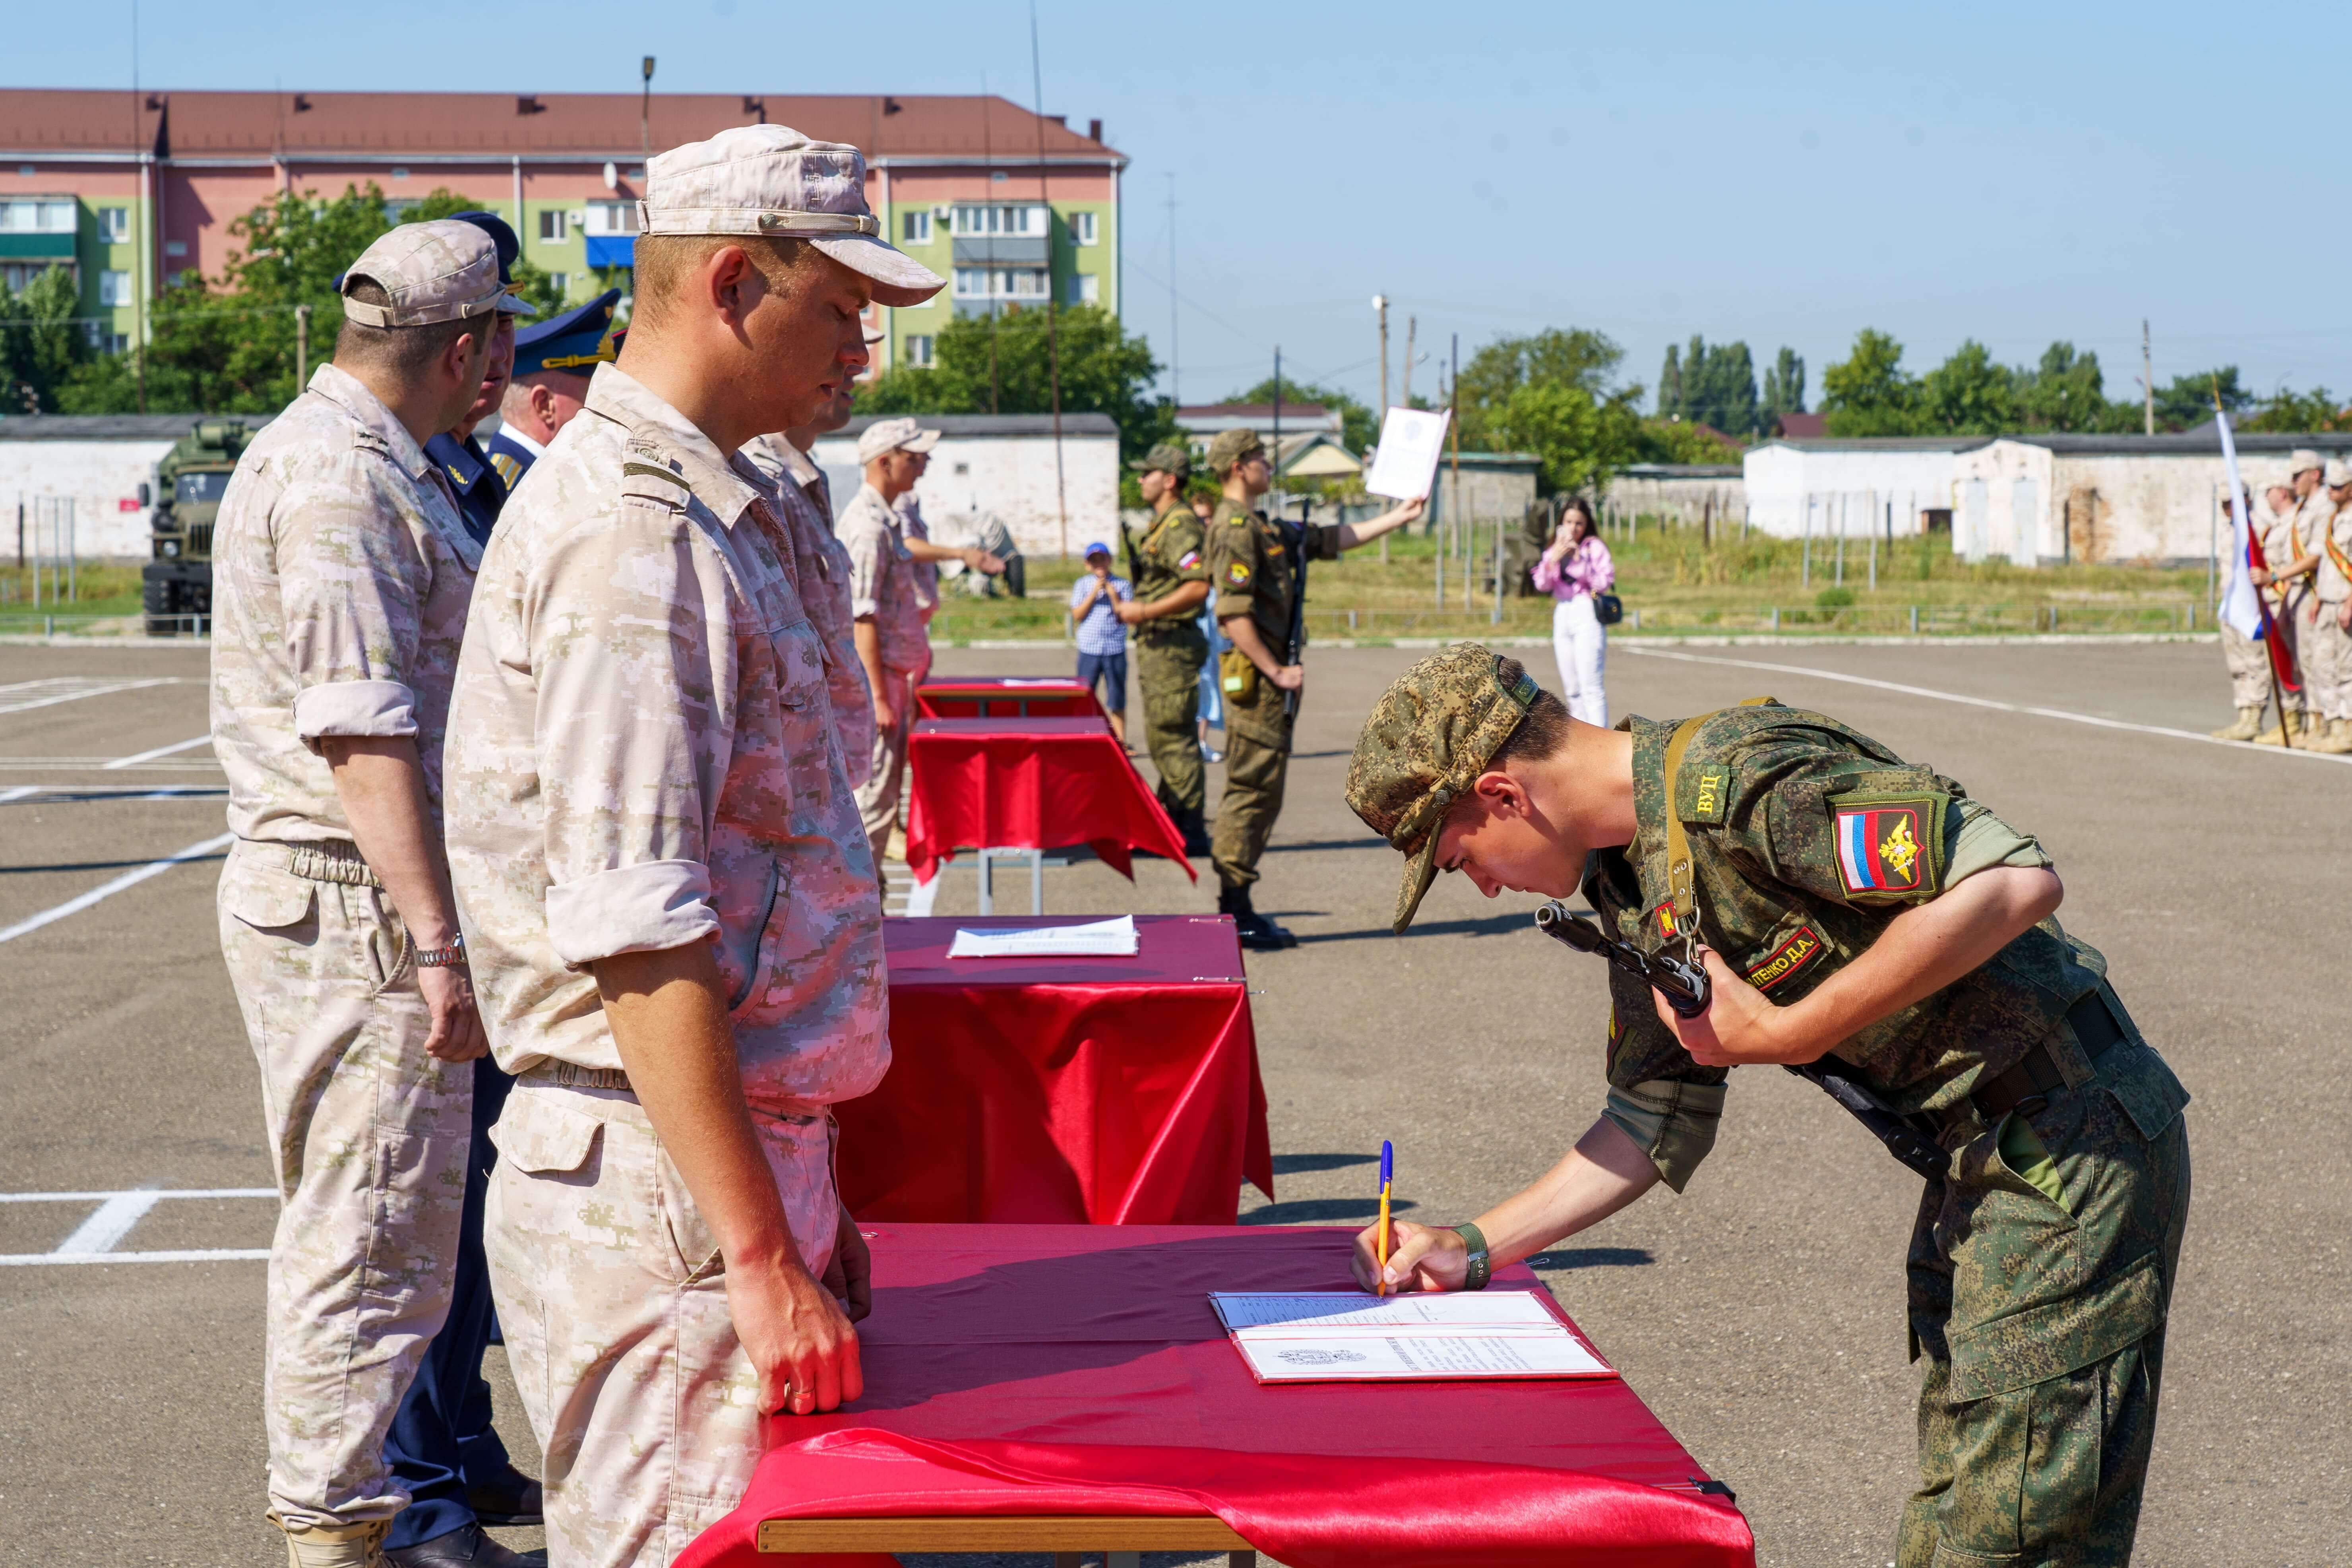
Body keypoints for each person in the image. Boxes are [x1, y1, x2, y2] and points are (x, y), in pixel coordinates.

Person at [1342, 643, 2191, 1568]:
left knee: (2011, 1532)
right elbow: (1651, 1117)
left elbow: (2008, 882)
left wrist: (1786, 1029)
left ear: (1503, 794)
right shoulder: (1632, 886)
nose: (1483, 884)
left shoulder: (1744, 778)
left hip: (2069, 1140)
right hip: (1980, 1160)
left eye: (1459, 856)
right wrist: (1471, 1246)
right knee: (1960, 1517)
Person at [442, 123, 940, 1567]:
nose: (861, 353)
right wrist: (757, 1244)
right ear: (732, 284)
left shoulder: (717, 505)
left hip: (708, 1163)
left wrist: (796, 1194)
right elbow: (640, 932)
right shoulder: (633, 535)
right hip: (659, 1182)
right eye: (840, 308)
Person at [211, 218, 523, 1568]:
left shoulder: (379, 457)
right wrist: (439, 942)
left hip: (364, 897)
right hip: (359, 902)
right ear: (465, 350)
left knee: (388, 1238)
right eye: (499, 338)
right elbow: (362, 733)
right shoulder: (343, 478)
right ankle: (337, 1535)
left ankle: (356, 1520)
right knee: (365, 1241)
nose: (504, 364)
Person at [376, 212, 545, 1568]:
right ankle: (414, 1487)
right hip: (417, 897)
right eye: (488, 339)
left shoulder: (465, 474)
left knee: (477, 1198)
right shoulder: (376, 476)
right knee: (418, 1215)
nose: (499, 365)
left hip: (487, 881)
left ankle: (460, 1437)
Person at [1203, 426, 1423, 949]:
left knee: (1263, 790)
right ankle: (1234, 907)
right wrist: (1275, 671)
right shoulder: (1235, 529)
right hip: (1258, 682)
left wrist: (1398, 517)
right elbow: (1232, 615)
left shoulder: (1262, 525)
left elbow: (1327, 540)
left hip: (1268, 683)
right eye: (1260, 457)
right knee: (1251, 790)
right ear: (1238, 467)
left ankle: (1237, 902)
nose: (1267, 464)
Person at [840, 417, 1002, 870]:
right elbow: (862, 617)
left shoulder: (888, 518)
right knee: (872, 800)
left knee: (885, 793)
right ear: (884, 462)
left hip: (897, 673)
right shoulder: (869, 526)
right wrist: (877, 696)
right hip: (884, 679)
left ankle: (871, 889)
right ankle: (862, 894)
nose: (923, 466)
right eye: (914, 459)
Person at [737, 328, 885, 787]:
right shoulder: (765, 482)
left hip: (828, 751)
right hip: (799, 768)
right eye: (837, 354)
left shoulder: (801, 475)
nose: (857, 366)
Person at [1119, 441, 1213, 848]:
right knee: (1162, 737)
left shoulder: (1179, 527)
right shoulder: (1163, 524)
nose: (1141, 479)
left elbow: (1197, 586)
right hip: (1161, 645)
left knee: (1172, 738)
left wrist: (1143, 611)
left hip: (1171, 643)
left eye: (1148, 473)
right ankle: (1173, 822)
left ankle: (1188, 830)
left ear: (1170, 480)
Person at [421, 213, 530, 549]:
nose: (497, 353)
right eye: (480, 329)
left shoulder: (483, 473)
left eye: (505, 325)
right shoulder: (410, 471)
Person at [483, 288, 622, 489]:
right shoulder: (505, 490)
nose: (609, 410)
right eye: (595, 398)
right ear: (545, 404)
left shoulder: (545, 476)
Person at [2251, 461, 2323, 745]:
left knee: (2313, 663)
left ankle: (2316, 723)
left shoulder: (2307, 514)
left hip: (2303, 595)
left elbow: (2305, 561)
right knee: (2296, 663)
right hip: (2288, 599)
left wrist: (2273, 578)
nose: (2265, 498)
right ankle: (2299, 723)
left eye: (2268, 491)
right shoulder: (2285, 522)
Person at [1532, 495, 1613, 726]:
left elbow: (1604, 582)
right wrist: (1552, 561)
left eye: (1579, 523)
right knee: (1573, 689)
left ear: (1587, 524)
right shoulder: (1554, 549)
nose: (1573, 528)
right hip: (1563, 612)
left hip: (1587, 612)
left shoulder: (1593, 548)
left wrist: (1579, 561)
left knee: (1591, 687)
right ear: (1561, 523)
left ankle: (1600, 739)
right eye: (1569, 522)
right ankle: (1582, 741)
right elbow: (1542, 584)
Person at [2211, 487, 2274, 741]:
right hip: (2231, 605)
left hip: (2251, 606)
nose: (2226, 508)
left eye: (2230, 502)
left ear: (2245, 500)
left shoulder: (2260, 527)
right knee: (2237, 664)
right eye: (2223, 504)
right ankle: (2244, 714)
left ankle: (2255, 716)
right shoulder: (2227, 530)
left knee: (2255, 662)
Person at [2302, 459, 2352, 753]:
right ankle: (2333, 724)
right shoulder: (2332, 519)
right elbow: (2326, 565)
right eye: (2330, 486)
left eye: (2338, 487)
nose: (2331, 491)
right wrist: (2318, 598)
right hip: (2327, 601)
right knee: (2323, 666)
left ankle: (2348, 727)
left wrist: (2349, 604)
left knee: (2347, 669)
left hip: (2345, 603)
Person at [1070, 540, 1134, 745]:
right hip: (1090, 650)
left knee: (1117, 698)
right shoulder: (1082, 584)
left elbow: (1124, 616)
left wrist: (1113, 596)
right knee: (1085, 696)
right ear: (1087, 564)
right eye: (1094, 561)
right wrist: (1094, 593)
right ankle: (1084, 738)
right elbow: (1078, 614)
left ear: (1110, 561)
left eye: (1102, 559)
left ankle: (1120, 742)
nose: (1099, 564)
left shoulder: (1123, 585)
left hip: (1114, 649)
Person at [1192, 492, 1225, 764]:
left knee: (1210, 685)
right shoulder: (1188, 549)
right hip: (1192, 627)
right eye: (1199, 518)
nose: (1204, 523)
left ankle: (1201, 741)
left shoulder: (1220, 547)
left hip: (1215, 628)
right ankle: (1194, 743)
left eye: (1207, 517)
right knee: (1196, 685)